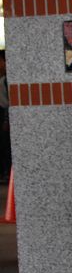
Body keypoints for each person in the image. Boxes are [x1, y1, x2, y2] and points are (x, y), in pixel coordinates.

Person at [0, 51, 10, 184]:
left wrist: (6, 120)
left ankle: (7, 172)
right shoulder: (3, 80)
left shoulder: (6, 80)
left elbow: (8, 103)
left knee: (6, 145)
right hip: (4, 115)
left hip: (5, 115)